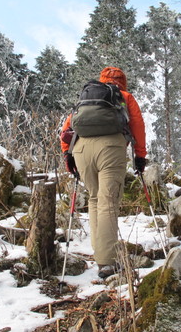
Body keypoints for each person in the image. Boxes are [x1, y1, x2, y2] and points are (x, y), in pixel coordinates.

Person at [60, 67, 147, 279]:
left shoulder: (87, 97)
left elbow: (67, 128)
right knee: (108, 201)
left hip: (81, 149)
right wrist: (140, 156)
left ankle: (101, 252)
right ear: (123, 82)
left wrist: (67, 156)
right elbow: (137, 125)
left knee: (94, 199)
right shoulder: (124, 97)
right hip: (110, 148)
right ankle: (107, 262)